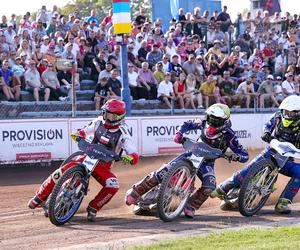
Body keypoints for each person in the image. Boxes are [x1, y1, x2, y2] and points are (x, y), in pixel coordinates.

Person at [125, 103, 248, 218]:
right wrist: (179, 133)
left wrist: (236, 156)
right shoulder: (203, 122)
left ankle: (191, 206)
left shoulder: (230, 135)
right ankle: (136, 192)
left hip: (208, 162)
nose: (212, 121)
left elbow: (244, 155)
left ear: (224, 121)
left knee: (209, 186)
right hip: (192, 152)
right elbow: (187, 124)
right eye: (211, 117)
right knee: (163, 171)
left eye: (216, 119)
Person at [28, 99, 139, 222]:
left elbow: (133, 153)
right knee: (59, 172)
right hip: (87, 156)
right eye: (105, 113)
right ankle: (38, 197)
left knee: (113, 186)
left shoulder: (123, 133)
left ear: (118, 117)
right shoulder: (98, 122)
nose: (106, 117)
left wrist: (131, 158)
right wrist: (78, 134)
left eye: (110, 115)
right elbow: (84, 131)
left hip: (103, 166)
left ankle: (93, 207)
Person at [211, 95, 300, 214]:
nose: (287, 115)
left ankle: (284, 201)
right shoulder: (278, 115)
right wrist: (267, 132)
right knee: (249, 168)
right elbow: (267, 125)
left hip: (287, 160)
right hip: (271, 152)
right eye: (286, 112)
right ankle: (225, 186)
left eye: (291, 113)